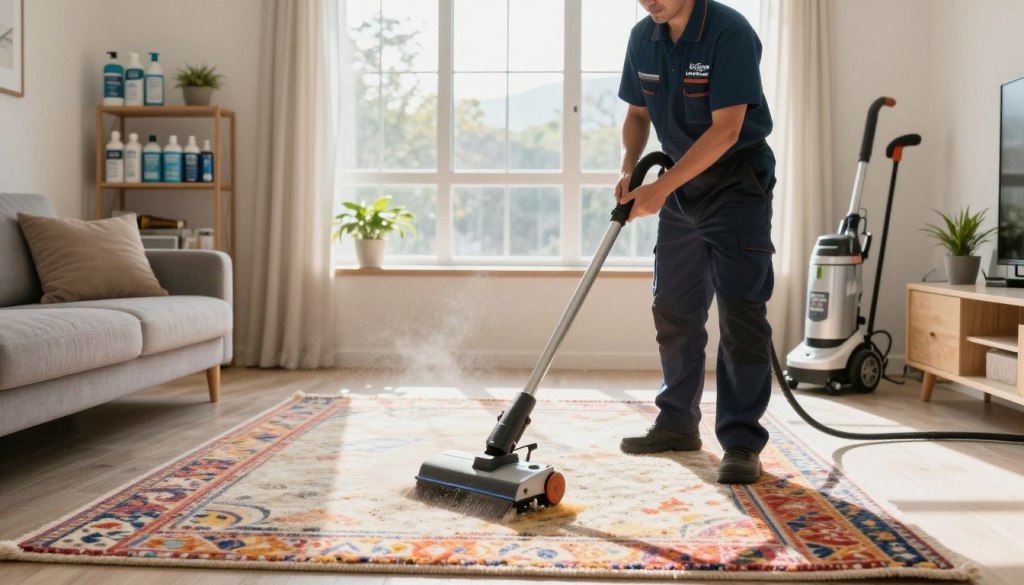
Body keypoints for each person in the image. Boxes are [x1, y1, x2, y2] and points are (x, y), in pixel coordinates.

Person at [616, 0, 777, 484]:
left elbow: (727, 130)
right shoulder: (644, 37)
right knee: (673, 307)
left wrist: (659, 189)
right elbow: (637, 114)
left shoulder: (728, 32)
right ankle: (677, 423)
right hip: (682, 187)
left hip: (736, 185)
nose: (648, 1)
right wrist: (629, 166)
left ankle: (743, 440)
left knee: (740, 312)